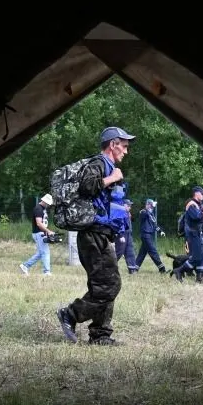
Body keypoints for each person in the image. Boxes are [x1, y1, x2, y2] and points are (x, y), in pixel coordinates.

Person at [57, 126, 133, 346]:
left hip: (101, 234)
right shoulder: (99, 164)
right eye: (124, 146)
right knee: (110, 285)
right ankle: (70, 314)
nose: (126, 152)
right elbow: (87, 186)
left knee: (103, 285)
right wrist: (112, 178)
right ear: (113, 144)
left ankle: (100, 336)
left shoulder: (107, 166)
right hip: (92, 235)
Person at [171, 186, 203, 283]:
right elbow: (195, 216)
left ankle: (199, 277)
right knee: (196, 257)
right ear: (196, 193)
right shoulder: (191, 204)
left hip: (197, 233)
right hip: (192, 234)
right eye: (202, 193)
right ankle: (179, 270)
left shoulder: (196, 204)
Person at [19, 193, 55, 276]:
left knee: (40, 253)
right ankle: (46, 272)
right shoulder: (38, 209)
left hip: (41, 233)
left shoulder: (43, 209)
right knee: (45, 252)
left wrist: (47, 231)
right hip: (39, 233)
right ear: (44, 201)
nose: (48, 205)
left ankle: (25, 266)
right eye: (48, 204)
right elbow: (39, 224)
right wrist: (48, 231)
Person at [135, 199, 167, 274]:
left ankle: (135, 268)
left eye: (152, 206)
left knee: (142, 253)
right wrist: (149, 207)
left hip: (149, 235)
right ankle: (162, 269)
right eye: (151, 206)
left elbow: (154, 225)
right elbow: (145, 214)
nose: (152, 208)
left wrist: (160, 231)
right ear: (148, 205)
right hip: (145, 235)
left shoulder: (151, 214)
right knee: (153, 251)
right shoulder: (143, 212)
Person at [115, 199, 139, 274]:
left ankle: (132, 269)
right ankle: (108, 266)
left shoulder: (127, 213)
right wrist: (121, 235)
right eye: (128, 205)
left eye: (130, 205)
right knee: (119, 252)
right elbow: (119, 225)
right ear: (123, 205)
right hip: (122, 234)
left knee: (130, 251)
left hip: (128, 234)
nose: (130, 207)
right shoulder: (119, 213)